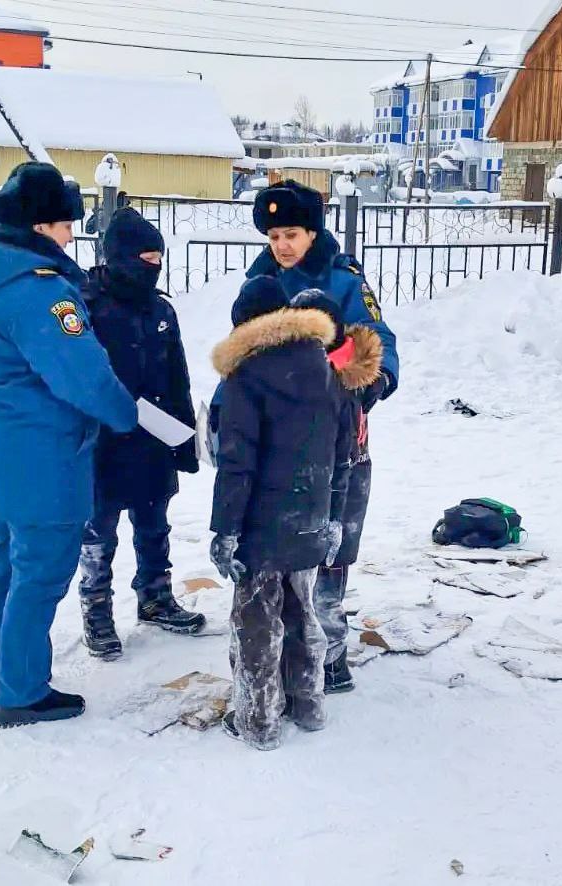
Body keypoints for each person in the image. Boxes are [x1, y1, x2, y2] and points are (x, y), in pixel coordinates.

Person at [0, 162, 138, 729]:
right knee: (41, 569)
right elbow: (83, 377)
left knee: (7, 554)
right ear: (39, 227)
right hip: (43, 449)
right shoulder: (40, 294)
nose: (70, 237)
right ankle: (23, 692)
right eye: (63, 226)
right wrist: (126, 415)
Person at [246, 180, 400, 693]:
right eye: (273, 237)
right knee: (281, 533)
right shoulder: (260, 281)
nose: (282, 246)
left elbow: (378, 343)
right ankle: (280, 639)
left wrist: (365, 386)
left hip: (337, 436)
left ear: (313, 232)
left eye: (291, 233)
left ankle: (330, 649)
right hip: (273, 437)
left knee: (333, 537)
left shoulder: (344, 280)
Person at [208, 276, 351, 751]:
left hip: (259, 523)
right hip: (310, 516)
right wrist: (333, 517)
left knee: (255, 624)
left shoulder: (245, 377)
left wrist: (225, 530)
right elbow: (343, 452)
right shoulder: (326, 368)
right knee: (302, 613)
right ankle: (307, 705)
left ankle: (257, 721)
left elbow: (236, 464)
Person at [77, 207, 204, 659]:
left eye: (159, 258)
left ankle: (155, 595)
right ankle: (97, 611)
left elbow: (177, 377)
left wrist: (185, 440)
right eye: (145, 257)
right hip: (102, 442)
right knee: (99, 533)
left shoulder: (161, 310)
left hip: (155, 439)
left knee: (154, 525)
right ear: (119, 258)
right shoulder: (85, 306)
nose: (153, 266)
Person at [288, 289, 383, 686]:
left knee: (329, 569)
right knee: (318, 567)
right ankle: (319, 653)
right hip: (323, 476)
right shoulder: (324, 368)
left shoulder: (338, 377)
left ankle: (331, 658)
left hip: (344, 479)